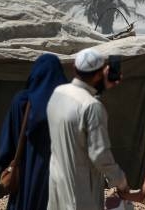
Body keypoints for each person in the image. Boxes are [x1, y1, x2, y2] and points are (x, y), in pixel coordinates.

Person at [47, 47, 130, 209]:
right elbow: (100, 156)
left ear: (74, 68)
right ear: (100, 73)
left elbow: (79, 112)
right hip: (80, 190)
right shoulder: (92, 106)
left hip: (57, 184)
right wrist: (121, 181)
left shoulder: (58, 93)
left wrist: (101, 88)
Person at [0, 53, 68, 210]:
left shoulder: (22, 102)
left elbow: (8, 142)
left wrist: (7, 165)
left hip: (27, 179)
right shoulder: (70, 104)